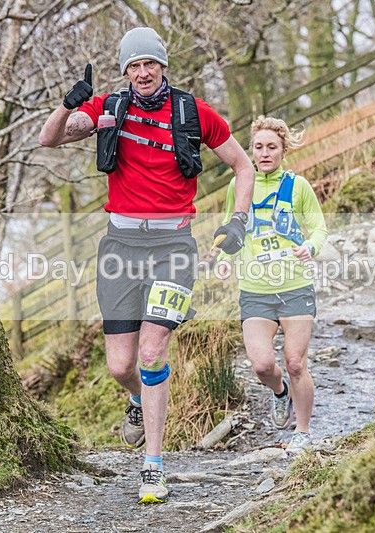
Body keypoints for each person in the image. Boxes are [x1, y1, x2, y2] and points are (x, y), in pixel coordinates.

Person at [39, 27, 255, 503]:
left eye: (149, 64)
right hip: (119, 247)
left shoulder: (193, 112)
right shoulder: (108, 109)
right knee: (121, 365)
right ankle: (136, 399)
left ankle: (153, 466)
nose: (142, 73)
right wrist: (67, 104)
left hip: (174, 248)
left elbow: (244, 165)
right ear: (125, 72)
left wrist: (238, 220)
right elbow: (48, 140)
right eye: (133, 66)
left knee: (153, 353)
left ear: (162, 66)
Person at [217, 115, 327, 455]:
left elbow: (320, 229)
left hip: (294, 287)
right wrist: (223, 258)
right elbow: (229, 229)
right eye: (258, 147)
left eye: (272, 147)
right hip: (255, 291)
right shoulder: (239, 186)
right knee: (262, 364)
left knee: (296, 362)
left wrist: (310, 248)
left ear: (283, 150)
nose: (264, 153)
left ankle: (303, 432)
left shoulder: (298, 186)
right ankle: (281, 393)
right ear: (251, 150)